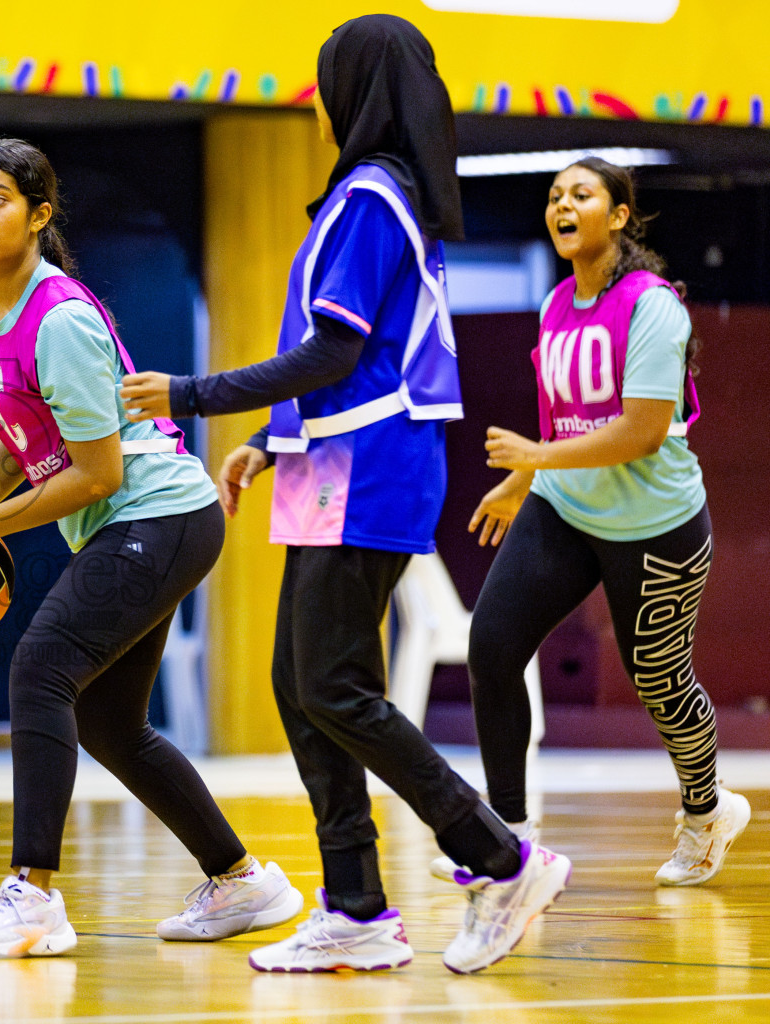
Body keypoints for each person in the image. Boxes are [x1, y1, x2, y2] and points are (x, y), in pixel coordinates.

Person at [120, 15, 569, 974]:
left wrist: (193, 396)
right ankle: (357, 906)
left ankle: (500, 857)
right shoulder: (371, 197)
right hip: (331, 458)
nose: (315, 103)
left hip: (375, 460)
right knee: (302, 683)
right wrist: (268, 444)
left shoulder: (372, 197)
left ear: (354, 91)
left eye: (325, 82)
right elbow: (339, 370)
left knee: (335, 683)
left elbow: (336, 351)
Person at [0, 138, 303, 959]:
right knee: (108, 720)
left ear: (40, 214)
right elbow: (18, 440)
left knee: (41, 669)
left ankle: (33, 899)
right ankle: (242, 881)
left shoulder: (57, 316)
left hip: (158, 515)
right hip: (137, 523)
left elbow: (96, 472)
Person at [442, 156, 748, 888]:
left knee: (660, 682)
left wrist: (536, 454)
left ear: (617, 216)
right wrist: (524, 480)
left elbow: (641, 431)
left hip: (655, 524)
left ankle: (708, 810)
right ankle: (506, 841)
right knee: (491, 645)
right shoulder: (554, 307)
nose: (562, 206)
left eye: (581, 194)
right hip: (569, 507)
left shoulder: (654, 307)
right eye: (553, 196)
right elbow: (567, 420)